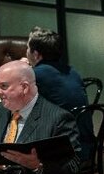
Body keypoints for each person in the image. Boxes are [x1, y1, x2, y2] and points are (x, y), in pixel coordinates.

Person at [25, 27, 92, 161]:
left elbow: (17, 107)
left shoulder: (35, 76)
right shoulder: (72, 71)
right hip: (86, 144)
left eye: (28, 48)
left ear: (36, 54)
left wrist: (23, 70)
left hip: (64, 151)